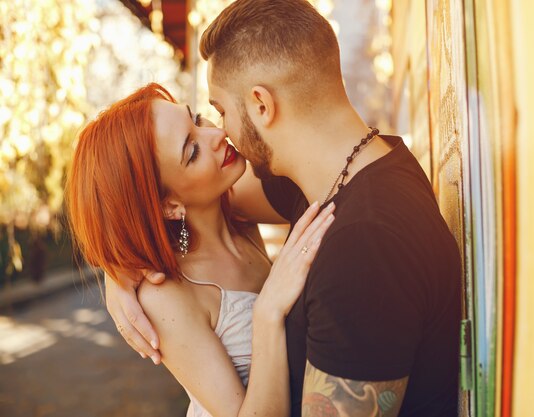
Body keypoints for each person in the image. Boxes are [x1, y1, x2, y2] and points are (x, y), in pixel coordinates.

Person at [106, 0, 463, 415]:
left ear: (261, 104)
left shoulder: (364, 246)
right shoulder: (350, 173)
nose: (221, 132)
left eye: (219, 112)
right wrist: (119, 269)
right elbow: (166, 204)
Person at [65, 82, 336, 417]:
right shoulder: (166, 294)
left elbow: (331, 172)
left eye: (196, 119)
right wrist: (268, 313)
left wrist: (114, 271)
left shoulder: (238, 210)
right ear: (169, 205)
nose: (216, 135)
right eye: (192, 152)